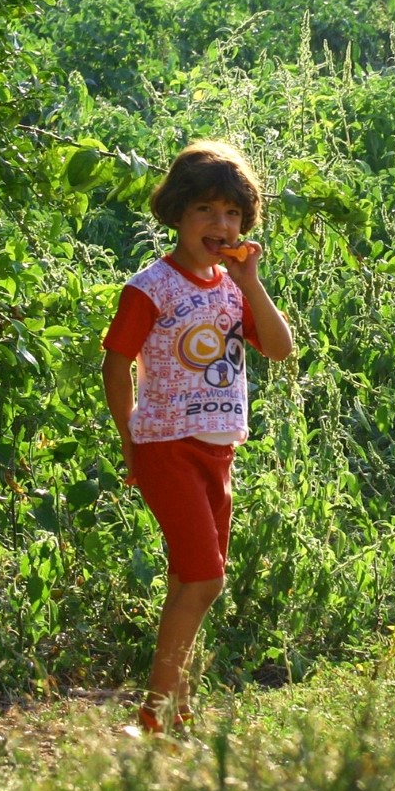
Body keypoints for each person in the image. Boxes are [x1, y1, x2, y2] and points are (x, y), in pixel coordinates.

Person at [101, 139, 295, 735]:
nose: (221, 223)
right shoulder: (150, 286)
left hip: (219, 448)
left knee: (190, 579)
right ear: (178, 215)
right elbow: (115, 362)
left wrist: (252, 280)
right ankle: (154, 716)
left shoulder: (235, 287)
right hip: (166, 446)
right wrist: (131, 436)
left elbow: (282, 350)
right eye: (206, 210)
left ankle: (177, 707)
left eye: (233, 212)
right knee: (208, 579)